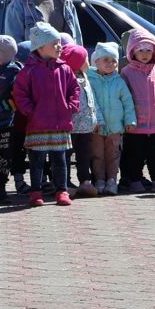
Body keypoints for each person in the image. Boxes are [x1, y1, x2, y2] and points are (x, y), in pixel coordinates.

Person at [12, 23, 81, 206]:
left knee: (60, 160)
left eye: (59, 43)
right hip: (38, 124)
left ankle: (62, 190)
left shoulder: (64, 69)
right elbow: (19, 93)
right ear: (40, 47)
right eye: (54, 43)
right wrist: (30, 111)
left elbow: (74, 88)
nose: (59, 47)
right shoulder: (29, 71)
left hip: (61, 123)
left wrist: (72, 105)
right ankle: (36, 192)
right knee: (37, 161)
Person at [120, 29, 155, 192]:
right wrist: (127, 119)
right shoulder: (127, 72)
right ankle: (135, 179)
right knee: (135, 154)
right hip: (135, 123)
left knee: (154, 153)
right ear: (133, 51)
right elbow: (124, 98)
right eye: (141, 50)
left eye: (149, 50)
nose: (145, 54)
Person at [86, 42, 135, 195]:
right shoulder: (90, 80)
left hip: (115, 127)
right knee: (97, 155)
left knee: (113, 155)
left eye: (114, 60)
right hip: (96, 127)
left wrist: (130, 120)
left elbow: (128, 102)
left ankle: (112, 180)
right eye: (105, 59)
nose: (110, 63)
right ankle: (99, 180)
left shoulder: (119, 81)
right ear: (96, 61)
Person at [0, 34, 23, 199]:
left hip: (4, 124)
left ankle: (0, 188)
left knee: (3, 157)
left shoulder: (15, 73)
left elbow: (18, 98)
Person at [63, 43, 97, 196]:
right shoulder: (66, 79)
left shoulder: (85, 77)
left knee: (84, 155)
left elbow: (92, 101)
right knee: (66, 155)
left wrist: (97, 120)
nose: (89, 63)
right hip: (70, 126)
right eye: (86, 60)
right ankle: (64, 182)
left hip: (86, 126)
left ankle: (85, 181)